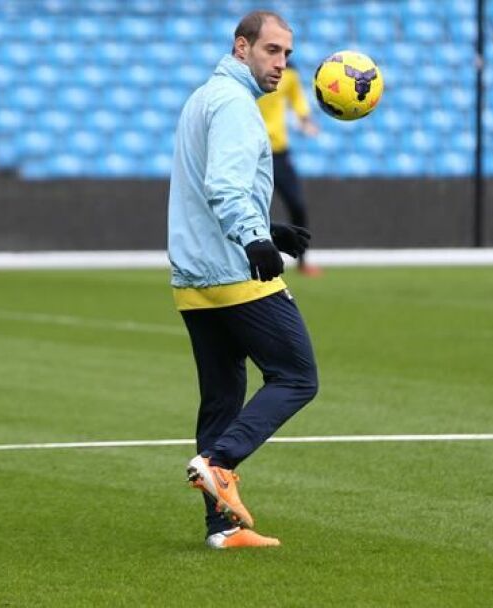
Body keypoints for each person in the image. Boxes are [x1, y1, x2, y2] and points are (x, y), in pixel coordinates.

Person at [167, 10, 318, 550]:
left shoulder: (204, 98)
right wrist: (256, 239)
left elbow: (205, 187)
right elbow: (225, 187)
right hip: (234, 272)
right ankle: (219, 462)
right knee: (297, 376)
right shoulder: (234, 103)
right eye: (272, 50)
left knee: (222, 401)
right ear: (241, 48)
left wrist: (268, 228)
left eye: (287, 54)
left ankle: (222, 528)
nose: (282, 63)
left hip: (193, 279)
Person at [257, 60, 322, 276]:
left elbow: (297, 99)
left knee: (297, 205)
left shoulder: (290, 74)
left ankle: (302, 260)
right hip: (252, 152)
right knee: (252, 208)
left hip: (278, 152)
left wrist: (305, 120)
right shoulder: (249, 73)